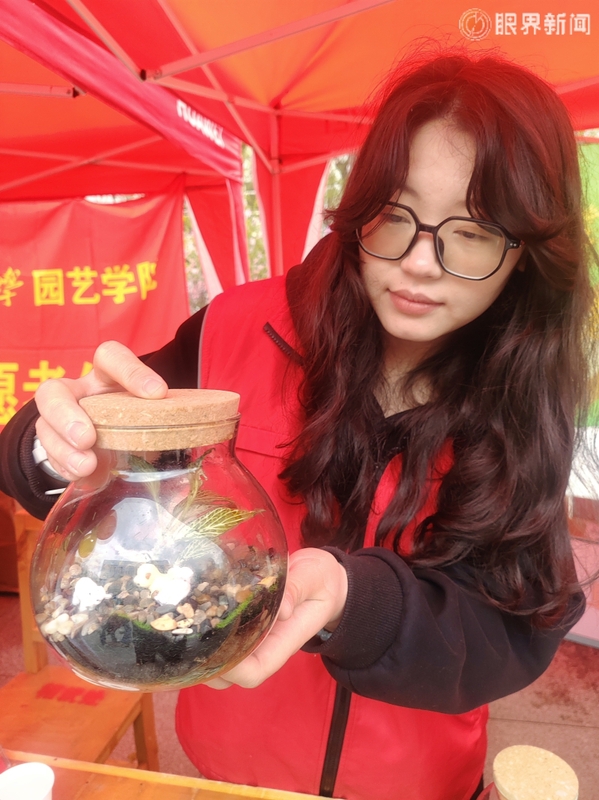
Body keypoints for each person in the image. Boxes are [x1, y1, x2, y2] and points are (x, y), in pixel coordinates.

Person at [0, 50, 594, 800]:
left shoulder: (522, 397)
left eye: (472, 231)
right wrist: (54, 444)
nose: (418, 262)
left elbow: (514, 631)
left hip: (421, 785)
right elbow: (48, 456)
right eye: (396, 214)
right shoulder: (233, 330)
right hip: (228, 781)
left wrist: (355, 601)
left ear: (527, 251)